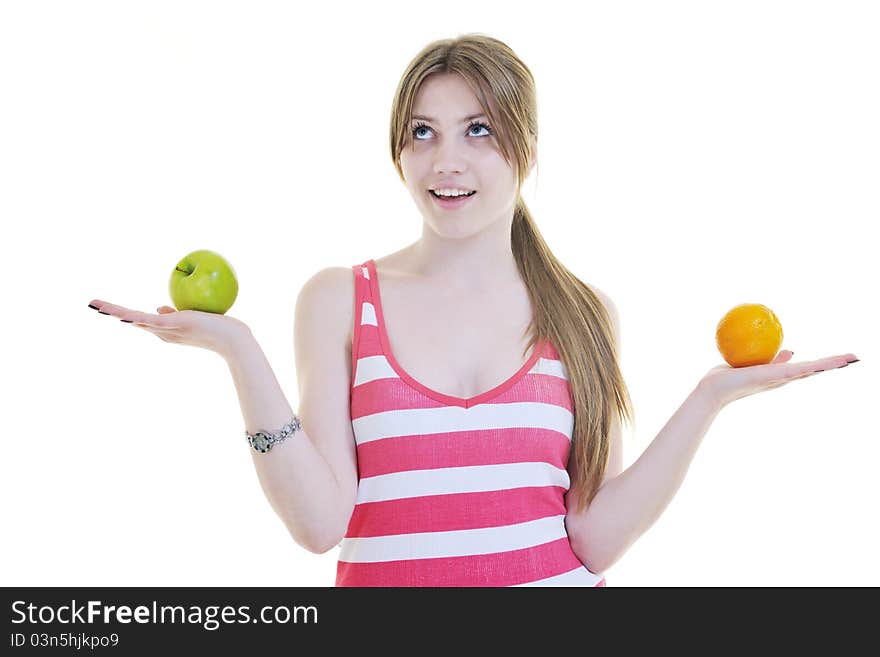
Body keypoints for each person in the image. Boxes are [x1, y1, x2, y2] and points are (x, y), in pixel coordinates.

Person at [87, 33, 858, 586]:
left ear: (525, 148)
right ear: (399, 152)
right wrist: (240, 352)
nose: (445, 161)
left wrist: (711, 396)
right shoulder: (338, 298)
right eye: (422, 133)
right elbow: (320, 526)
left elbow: (593, 538)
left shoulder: (584, 313)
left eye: (478, 131)